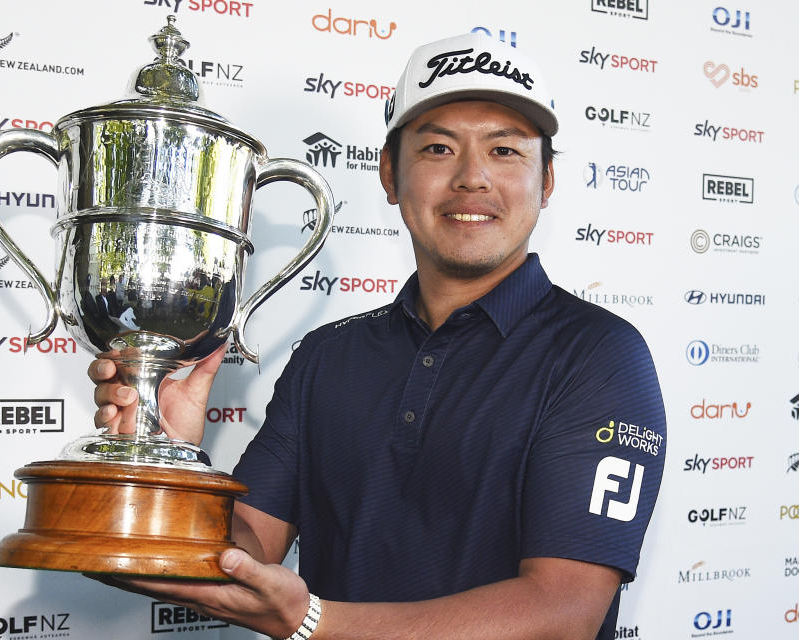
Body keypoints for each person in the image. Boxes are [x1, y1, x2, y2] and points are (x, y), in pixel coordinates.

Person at [88, 32, 666, 640]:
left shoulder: (600, 354)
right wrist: (169, 468)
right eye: (439, 148)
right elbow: (250, 545)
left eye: (505, 151)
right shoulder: (327, 354)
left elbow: (563, 612)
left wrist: (314, 621)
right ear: (390, 175)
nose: (472, 178)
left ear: (546, 181)